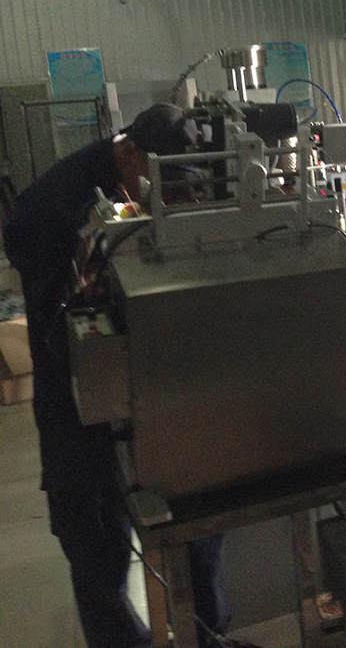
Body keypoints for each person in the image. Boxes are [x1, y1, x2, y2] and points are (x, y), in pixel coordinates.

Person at [4, 103, 231, 648]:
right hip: (76, 391)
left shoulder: (146, 179)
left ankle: (209, 634)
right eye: (157, 178)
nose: (165, 193)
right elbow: (56, 309)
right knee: (96, 535)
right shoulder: (56, 205)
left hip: (162, 386)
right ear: (128, 152)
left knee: (199, 524)